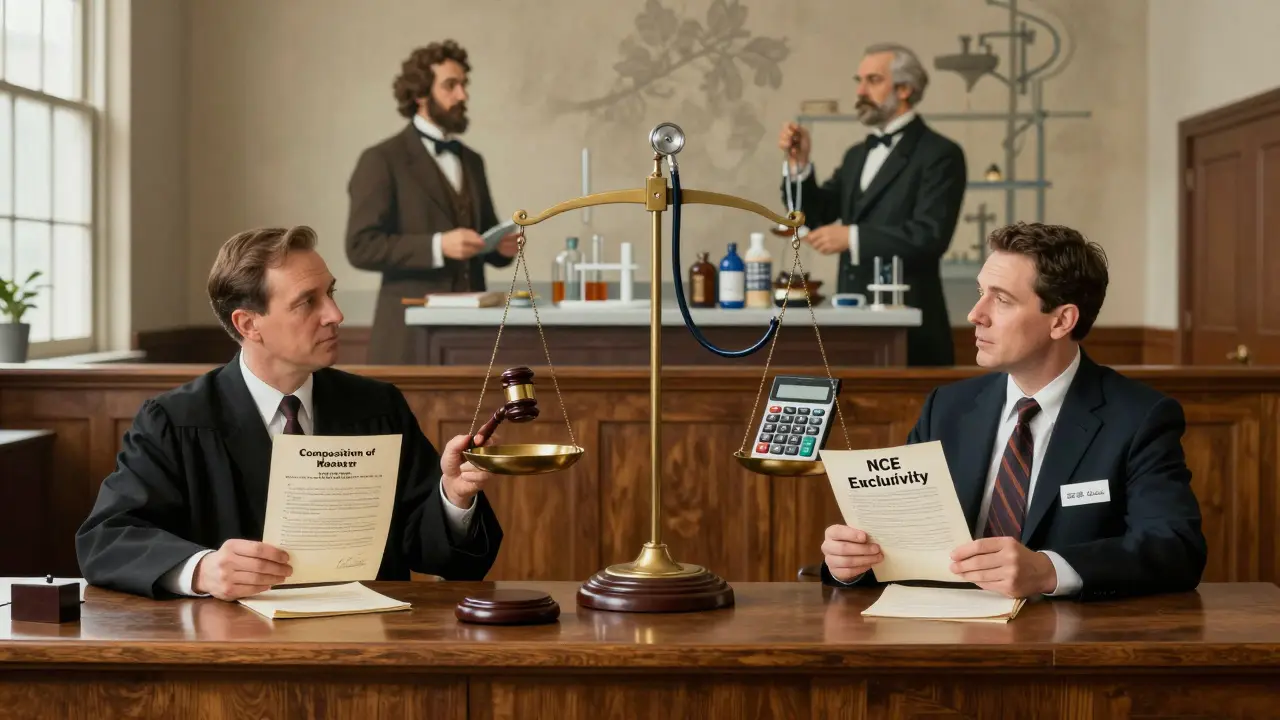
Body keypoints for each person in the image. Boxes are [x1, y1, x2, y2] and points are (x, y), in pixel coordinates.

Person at [76, 226, 503, 600]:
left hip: (369, 640)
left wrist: (453, 496)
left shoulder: (377, 407)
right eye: (307, 302)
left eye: (330, 293)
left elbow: (434, 552)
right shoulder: (175, 420)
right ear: (248, 324)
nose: (335, 315)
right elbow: (106, 540)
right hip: (231, 647)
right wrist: (202, 569)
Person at [820, 222, 1207, 601]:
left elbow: (1176, 547)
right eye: (981, 293)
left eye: (1001, 300)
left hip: (1068, 635)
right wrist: (851, 564)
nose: (975, 314)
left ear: (1061, 320)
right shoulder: (946, 408)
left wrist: (1048, 570)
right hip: (943, 626)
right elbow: (899, 542)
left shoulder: (1139, 417)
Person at [779, 43, 966, 366]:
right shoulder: (857, 155)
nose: (860, 91)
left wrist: (852, 237)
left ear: (905, 89)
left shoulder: (940, 154)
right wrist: (799, 164)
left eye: (873, 80)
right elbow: (816, 213)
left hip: (912, 330)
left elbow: (930, 236)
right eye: (859, 80)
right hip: (852, 326)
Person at [345, 39, 519, 364]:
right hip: (408, 337)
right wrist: (439, 246)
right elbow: (360, 246)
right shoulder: (381, 159)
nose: (462, 95)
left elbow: (482, 235)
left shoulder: (472, 161)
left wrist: (500, 247)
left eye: (464, 85)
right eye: (450, 85)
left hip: (472, 338)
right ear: (420, 94)